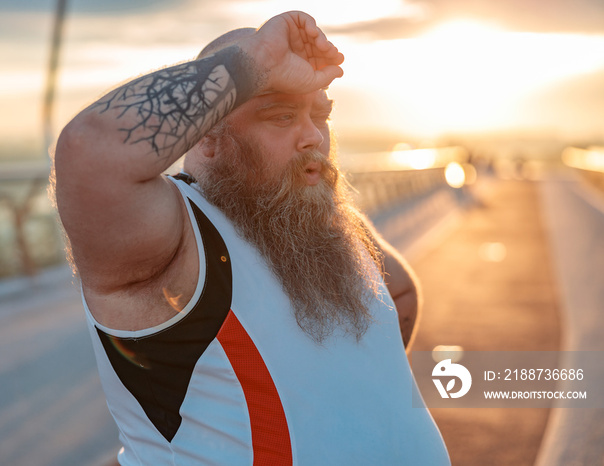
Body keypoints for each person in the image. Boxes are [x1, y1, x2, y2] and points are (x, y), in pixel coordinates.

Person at [53, 11, 449, 465]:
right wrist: (255, 61)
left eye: (320, 115)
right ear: (206, 136)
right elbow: (90, 152)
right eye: (281, 116)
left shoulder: (309, 221)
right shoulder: (178, 238)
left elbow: (397, 294)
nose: (313, 137)